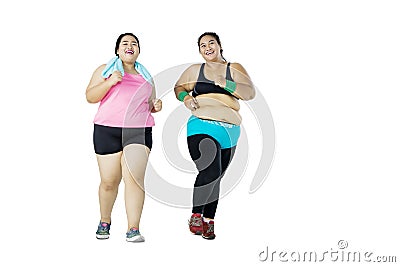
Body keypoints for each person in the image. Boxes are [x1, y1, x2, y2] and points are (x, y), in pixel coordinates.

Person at [174, 32, 255, 240]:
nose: (207, 47)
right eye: (202, 45)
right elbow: (179, 87)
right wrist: (185, 98)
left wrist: (226, 83)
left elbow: (249, 93)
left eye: (211, 43)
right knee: (209, 170)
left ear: (220, 46)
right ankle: (195, 215)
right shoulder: (195, 70)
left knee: (217, 176)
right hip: (202, 125)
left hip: (230, 131)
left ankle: (209, 221)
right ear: (199, 50)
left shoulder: (233, 68)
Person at [86, 33, 162, 242]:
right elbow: (90, 97)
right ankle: (104, 220)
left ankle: (133, 228)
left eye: (134, 43)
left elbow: (150, 103)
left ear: (138, 50)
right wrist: (109, 82)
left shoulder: (147, 76)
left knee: (135, 180)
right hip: (106, 129)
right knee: (109, 182)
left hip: (138, 130)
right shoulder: (105, 70)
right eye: (125, 43)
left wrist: (156, 106)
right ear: (118, 50)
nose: (130, 46)